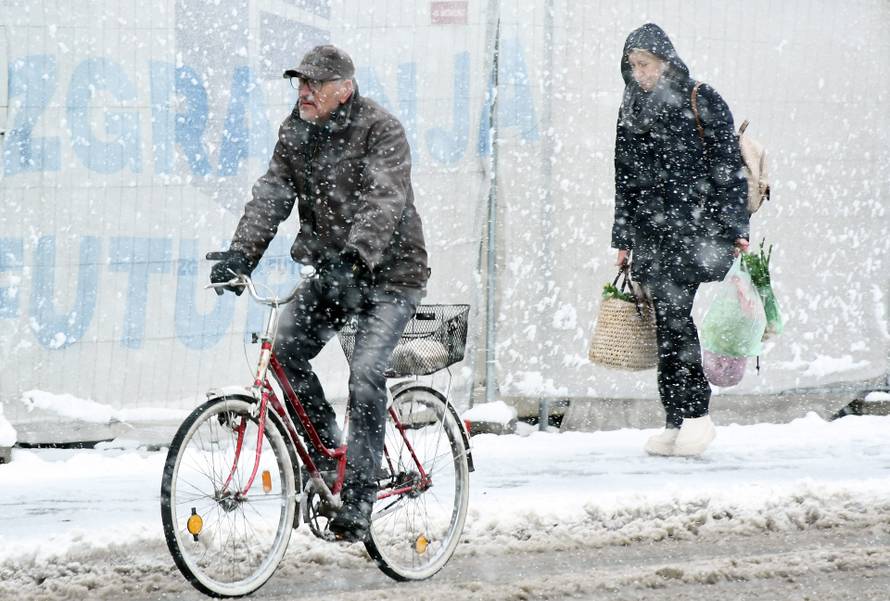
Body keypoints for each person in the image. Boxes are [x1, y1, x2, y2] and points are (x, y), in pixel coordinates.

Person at [209, 44, 428, 541]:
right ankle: (332, 459)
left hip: (391, 276)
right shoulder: (295, 130)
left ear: (344, 88)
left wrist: (357, 255)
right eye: (299, 83)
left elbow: (384, 198)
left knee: (367, 371)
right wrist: (241, 254)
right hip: (334, 273)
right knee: (283, 352)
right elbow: (272, 195)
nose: (303, 92)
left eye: (314, 84)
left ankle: (360, 496)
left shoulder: (380, 128)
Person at [610, 24, 749, 457]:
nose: (639, 74)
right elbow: (624, 178)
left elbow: (728, 168)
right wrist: (623, 237)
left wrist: (736, 227)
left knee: (674, 317)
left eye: (645, 64)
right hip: (653, 234)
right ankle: (677, 418)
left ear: (665, 60)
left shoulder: (700, 97)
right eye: (632, 66)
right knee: (666, 323)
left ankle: (694, 415)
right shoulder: (631, 106)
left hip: (694, 231)